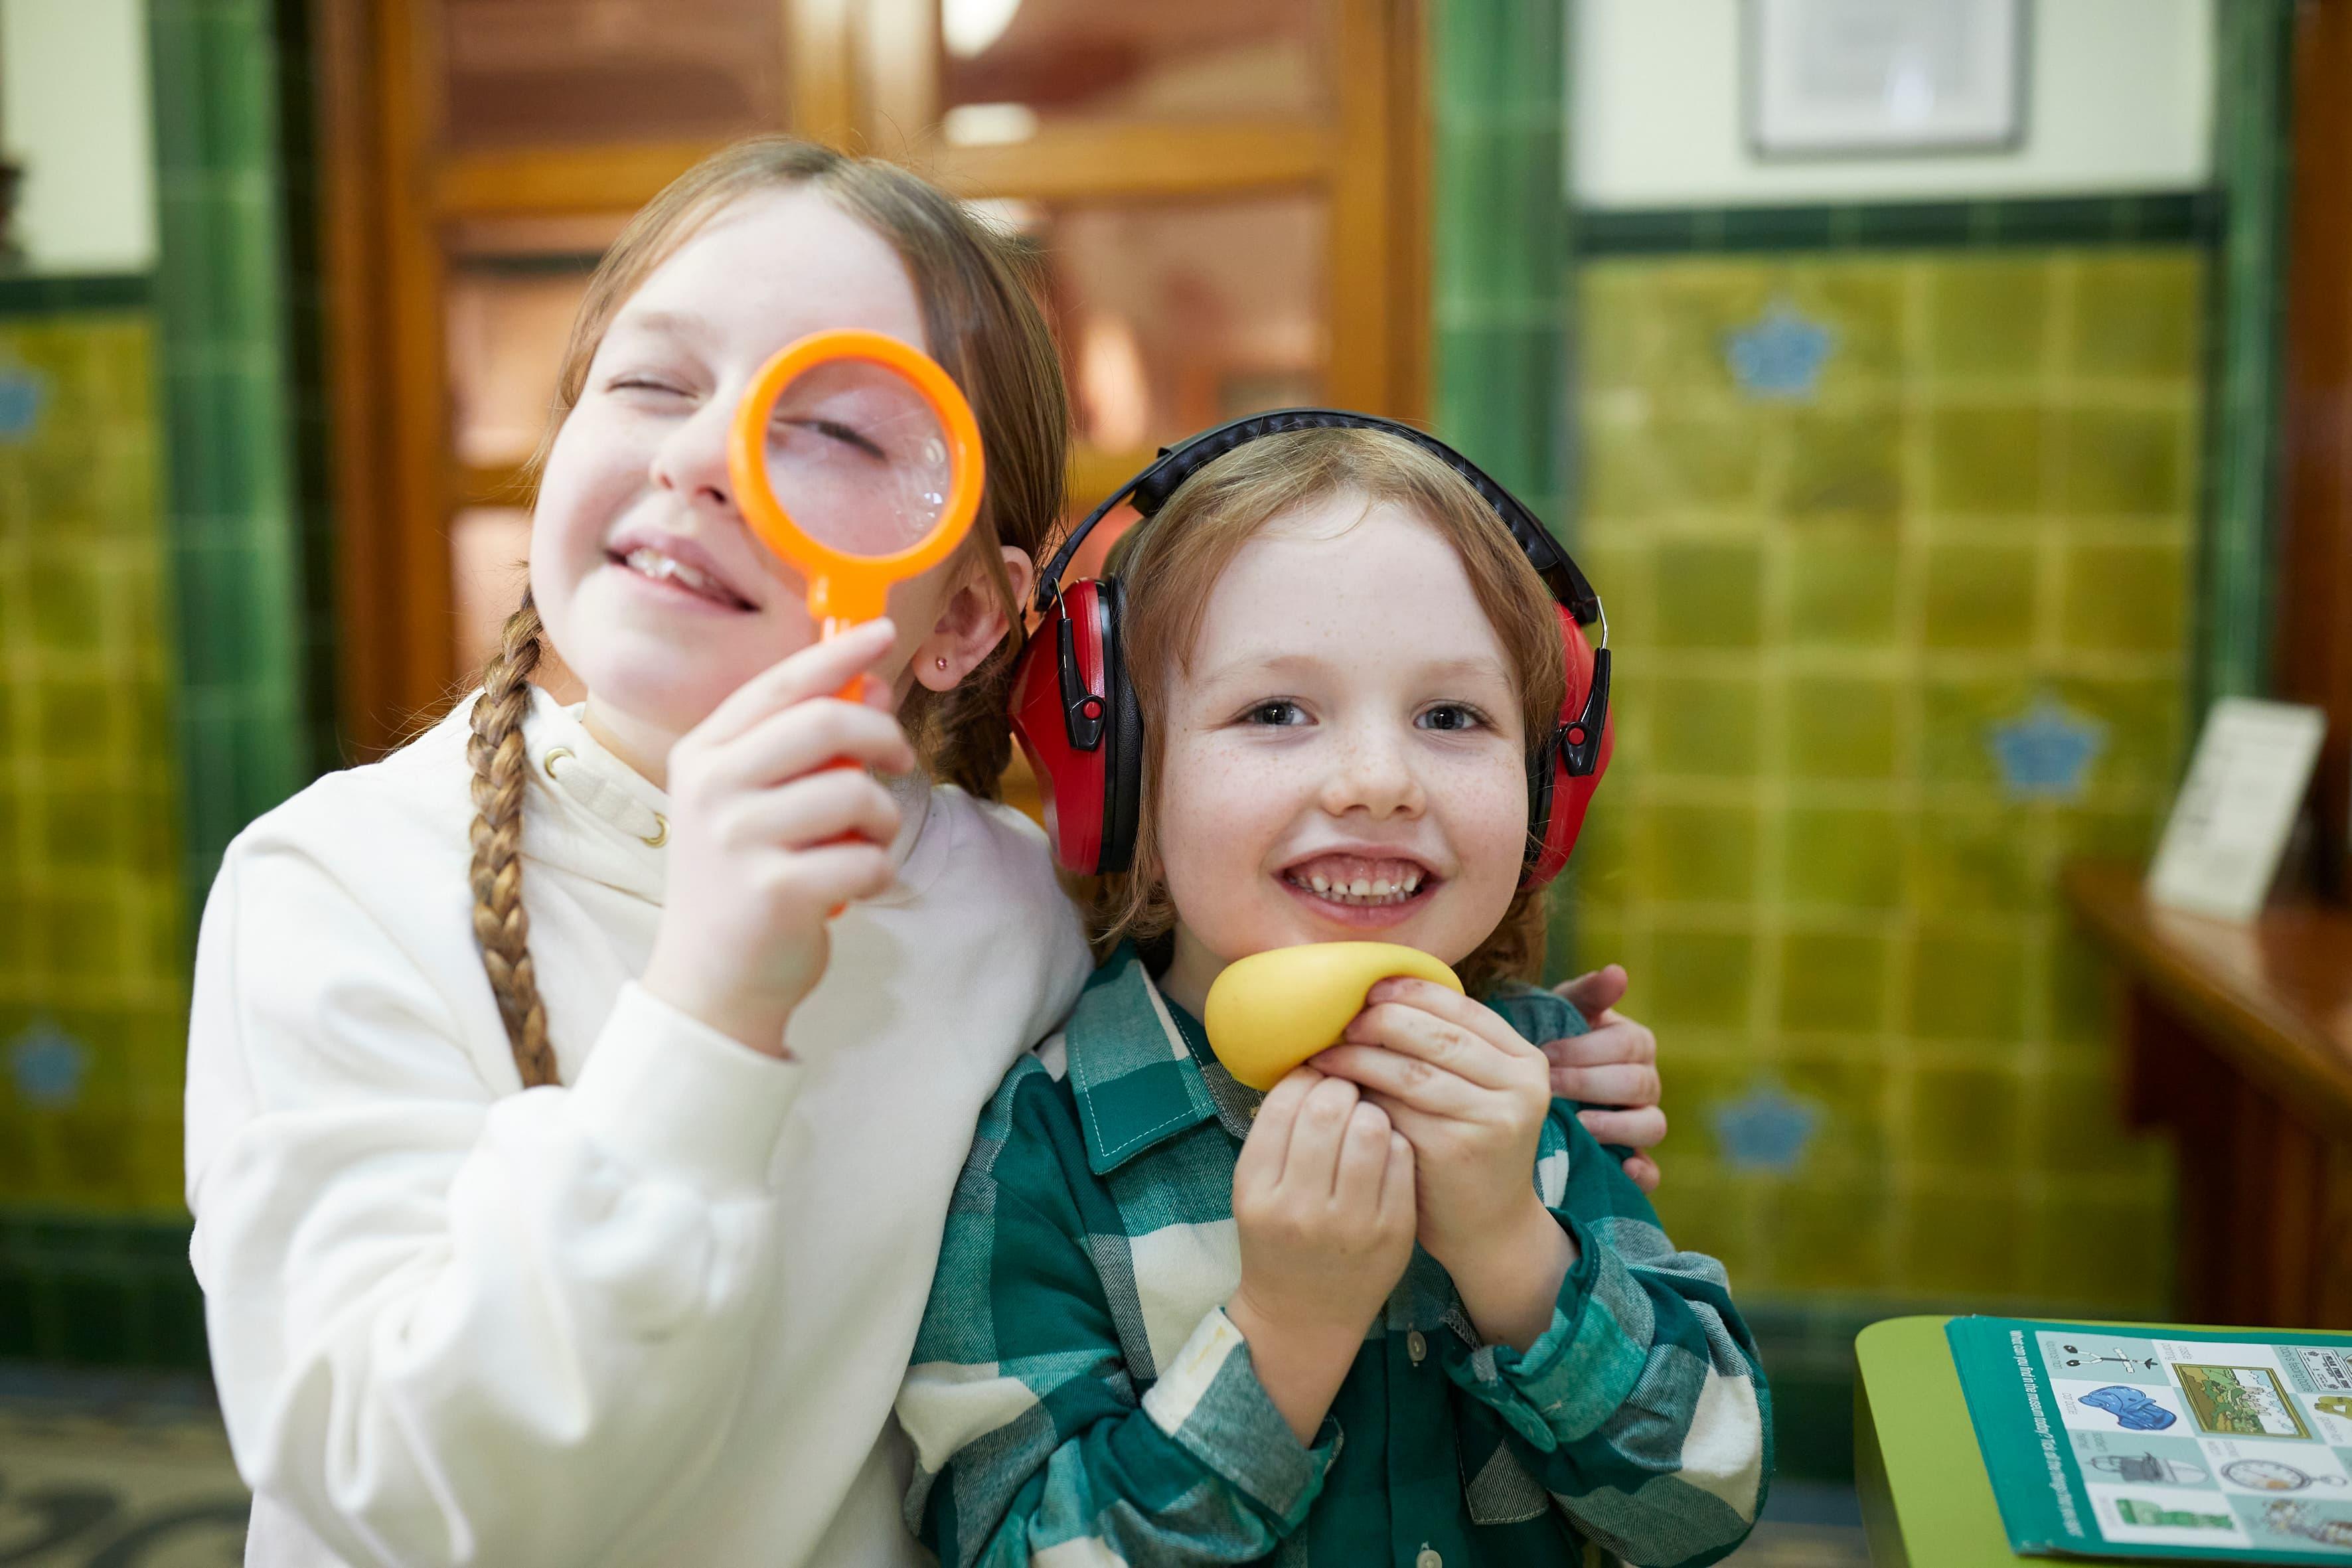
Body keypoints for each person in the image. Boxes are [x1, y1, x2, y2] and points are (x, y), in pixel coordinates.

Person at [183, 139, 1670, 1567]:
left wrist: (1511, 1066)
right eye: (650, 381)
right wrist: (708, 1008)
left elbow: (1217, 1034)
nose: (703, 456)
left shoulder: (1016, 905)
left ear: (965, 615)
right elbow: (401, 1505)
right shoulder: (330, 888)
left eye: (830, 426)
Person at [898, 425, 1767, 1567]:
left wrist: (1513, 1249)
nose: (1378, 781)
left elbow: (1707, 1498)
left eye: (1452, 717)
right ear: (1120, 779)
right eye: (1277, 712)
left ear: (1547, 784)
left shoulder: (1537, 1087)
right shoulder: (1040, 1150)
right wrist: (1284, 1335)